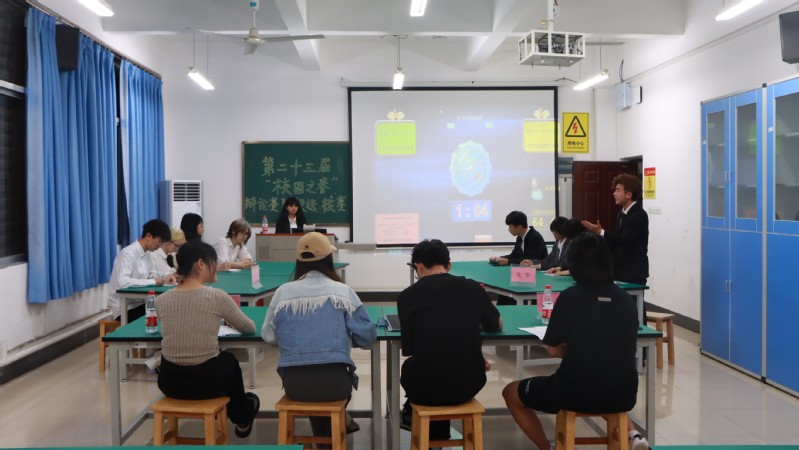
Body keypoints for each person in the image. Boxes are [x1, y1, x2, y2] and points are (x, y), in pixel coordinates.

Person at [502, 232, 647, 450]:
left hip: (574, 392)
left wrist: (575, 348)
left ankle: (547, 448)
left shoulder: (570, 297)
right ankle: (634, 435)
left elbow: (552, 351)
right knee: (603, 386)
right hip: (624, 394)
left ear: (575, 264)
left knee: (511, 392)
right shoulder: (626, 300)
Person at [262, 232, 376, 443]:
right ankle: (333, 435)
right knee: (329, 389)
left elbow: (268, 336)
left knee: (314, 388)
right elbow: (367, 337)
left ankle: (325, 439)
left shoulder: (282, 293)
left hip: (295, 385)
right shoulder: (343, 292)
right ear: (328, 258)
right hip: (336, 384)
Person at [399, 239, 503, 440]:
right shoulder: (473, 288)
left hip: (424, 386)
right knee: (447, 369)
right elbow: (496, 325)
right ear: (449, 265)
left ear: (418, 266)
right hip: (469, 383)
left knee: (424, 370)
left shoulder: (407, 296)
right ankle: (438, 437)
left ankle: (430, 435)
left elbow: (410, 347)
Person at [155, 240, 260, 438]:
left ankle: (240, 411)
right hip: (208, 383)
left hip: (170, 383)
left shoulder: (161, 300)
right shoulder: (216, 296)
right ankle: (241, 417)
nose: (217, 266)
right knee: (229, 361)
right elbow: (249, 327)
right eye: (214, 261)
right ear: (201, 264)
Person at [581, 173, 649, 286]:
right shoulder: (620, 214)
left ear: (628, 194)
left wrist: (601, 232)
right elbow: (615, 242)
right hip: (620, 270)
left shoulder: (639, 215)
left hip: (633, 271)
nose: (614, 194)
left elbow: (625, 240)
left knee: (633, 298)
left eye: (618, 190)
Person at [108, 219, 175, 321]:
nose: (159, 247)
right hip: (124, 308)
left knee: (168, 308)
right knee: (163, 313)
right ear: (148, 236)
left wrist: (166, 277)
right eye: (159, 242)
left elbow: (152, 275)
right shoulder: (127, 254)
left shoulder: (148, 254)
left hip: (140, 303)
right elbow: (122, 283)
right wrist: (153, 281)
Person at [491, 211, 547, 305]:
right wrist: (499, 258)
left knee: (510, 288)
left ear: (520, 227)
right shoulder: (520, 237)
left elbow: (528, 261)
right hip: (525, 275)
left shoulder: (534, 237)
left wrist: (508, 261)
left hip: (538, 276)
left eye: (510, 226)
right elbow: (514, 255)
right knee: (507, 289)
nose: (509, 229)